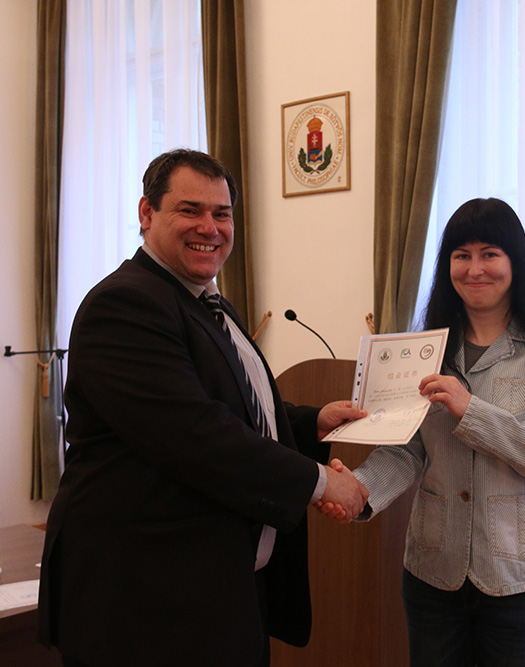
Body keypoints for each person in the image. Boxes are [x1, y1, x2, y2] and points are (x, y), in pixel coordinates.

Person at [37, 149, 368, 666]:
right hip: (145, 603)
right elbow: (195, 434)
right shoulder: (124, 304)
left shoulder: (203, 299)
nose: (209, 228)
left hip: (210, 591)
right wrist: (322, 482)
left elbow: (231, 404)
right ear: (147, 213)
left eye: (222, 213)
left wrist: (311, 422)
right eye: (189, 210)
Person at [331, 198, 525, 667]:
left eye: (489, 254)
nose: (475, 268)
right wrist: (359, 489)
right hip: (432, 571)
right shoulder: (424, 349)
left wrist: (471, 410)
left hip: (521, 576)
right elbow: (405, 452)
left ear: (515, 261)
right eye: (462, 255)